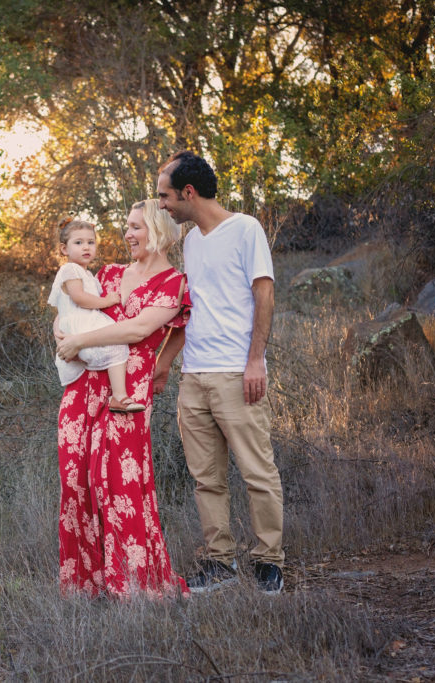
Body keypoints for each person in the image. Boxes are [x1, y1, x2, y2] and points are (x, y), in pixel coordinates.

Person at [153, 151, 284, 594]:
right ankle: (219, 562)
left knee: (257, 473)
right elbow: (192, 310)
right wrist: (169, 363)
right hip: (196, 376)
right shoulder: (191, 242)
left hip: (235, 372)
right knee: (205, 478)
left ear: (188, 193)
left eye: (164, 196)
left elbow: (263, 296)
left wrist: (254, 361)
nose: (161, 205)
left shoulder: (245, 229)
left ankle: (269, 562)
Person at [54, 199, 191, 598]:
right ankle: (86, 585)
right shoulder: (109, 274)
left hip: (126, 391)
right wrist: (63, 334)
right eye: (126, 228)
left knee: (119, 483)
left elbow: (137, 330)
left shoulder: (173, 283)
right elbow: (69, 309)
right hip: (82, 388)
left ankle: (132, 585)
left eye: (135, 227)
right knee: (77, 481)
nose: (126, 235)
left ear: (159, 231)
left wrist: (82, 340)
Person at [48, 219, 145, 413]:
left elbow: (65, 307)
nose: (86, 247)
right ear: (64, 249)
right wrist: (107, 301)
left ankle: (117, 396)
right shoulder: (70, 269)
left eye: (90, 242)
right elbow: (79, 298)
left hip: (80, 328)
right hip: (82, 328)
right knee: (117, 346)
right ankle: (119, 396)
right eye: (78, 243)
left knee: (115, 349)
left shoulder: (87, 274)